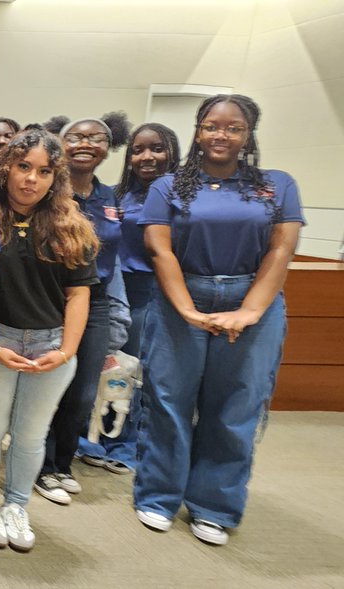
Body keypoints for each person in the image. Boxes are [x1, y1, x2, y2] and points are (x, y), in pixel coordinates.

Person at [134, 94, 302, 546]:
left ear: (248, 134)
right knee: (168, 399)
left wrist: (248, 311)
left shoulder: (276, 184)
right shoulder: (168, 186)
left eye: (232, 128)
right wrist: (187, 308)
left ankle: (214, 506)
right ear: (198, 130)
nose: (220, 135)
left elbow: (281, 250)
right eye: (211, 126)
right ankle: (157, 496)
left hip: (253, 297)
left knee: (235, 406)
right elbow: (159, 249)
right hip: (181, 296)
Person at [0, 129, 99, 552]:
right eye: (23, 167)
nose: (31, 180)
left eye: (43, 171)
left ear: (56, 178)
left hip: (51, 345)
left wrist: (67, 350)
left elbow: (79, 294)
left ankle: (16, 504)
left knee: (31, 434)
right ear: (5, 169)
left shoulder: (72, 226)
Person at [34, 112, 131, 506]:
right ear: (60, 142)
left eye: (96, 137)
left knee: (83, 390)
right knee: (48, 388)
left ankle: (61, 464)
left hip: (96, 302)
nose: (85, 144)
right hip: (50, 299)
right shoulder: (45, 190)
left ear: (109, 147)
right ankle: (39, 467)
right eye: (76, 137)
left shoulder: (110, 197)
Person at [77, 123, 182, 474]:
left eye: (156, 148)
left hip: (167, 293)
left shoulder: (185, 194)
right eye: (138, 149)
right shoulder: (115, 195)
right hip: (124, 291)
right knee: (114, 368)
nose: (146, 157)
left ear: (173, 152)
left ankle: (128, 444)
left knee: (149, 375)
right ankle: (97, 435)